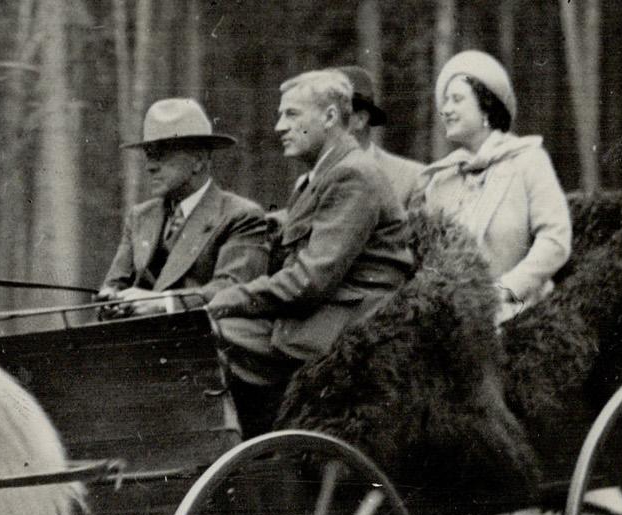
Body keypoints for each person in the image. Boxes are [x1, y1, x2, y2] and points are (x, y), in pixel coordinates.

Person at [206, 69, 414, 432]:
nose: (278, 127)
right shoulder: (322, 177)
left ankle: (232, 455)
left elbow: (309, 281)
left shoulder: (354, 176)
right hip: (321, 316)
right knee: (208, 330)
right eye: (279, 115)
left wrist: (231, 297)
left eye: (291, 114)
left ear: (331, 117)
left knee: (212, 333)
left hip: (351, 329)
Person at [415, 50, 571, 326]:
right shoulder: (440, 179)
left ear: (486, 106)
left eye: (457, 99)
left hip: (520, 315)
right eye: (445, 101)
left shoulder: (528, 161)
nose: (446, 109)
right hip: (451, 320)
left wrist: (508, 290)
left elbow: (555, 240)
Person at [95, 98, 269, 318]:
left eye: (162, 154)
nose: (150, 166)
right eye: (149, 155)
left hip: (200, 341)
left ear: (198, 161)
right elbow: (114, 284)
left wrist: (162, 304)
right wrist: (109, 299)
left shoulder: (240, 215)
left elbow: (233, 290)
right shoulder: (140, 217)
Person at [336, 64, 425, 206]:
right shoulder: (310, 181)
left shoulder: (411, 178)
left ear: (360, 120)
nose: (324, 123)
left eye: (332, 115)